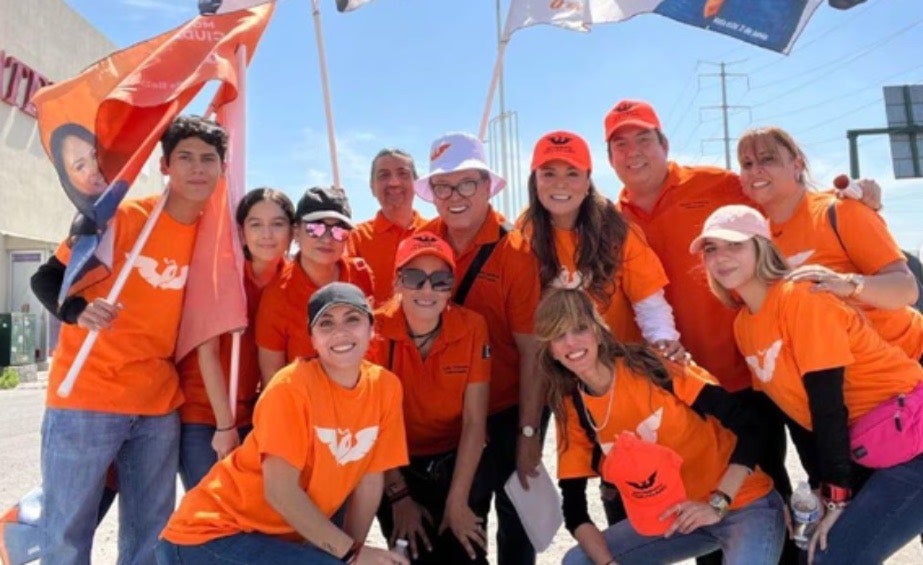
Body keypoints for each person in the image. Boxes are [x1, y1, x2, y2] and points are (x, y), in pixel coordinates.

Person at [604, 99, 879, 564]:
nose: (633, 151)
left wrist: (853, 199)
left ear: (664, 144)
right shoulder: (609, 219)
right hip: (683, 396)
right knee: (704, 513)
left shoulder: (717, 184)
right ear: (609, 157)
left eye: (643, 138)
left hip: (755, 373)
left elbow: (782, 195)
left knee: (775, 501)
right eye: (619, 143)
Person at [30, 115, 227, 564]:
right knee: (66, 534)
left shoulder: (214, 239)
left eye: (209, 159)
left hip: (158, 407)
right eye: (186, 157)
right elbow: (46, 278)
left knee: (150, 537)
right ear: (164, 166)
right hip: (87, 400)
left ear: (221, 169)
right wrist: (78, 311)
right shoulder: (119, 218)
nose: (198, 168)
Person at [694, 204, 923, 563]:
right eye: (711, 248)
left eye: (734, 245)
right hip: (874, 442)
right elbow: (796, 414)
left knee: (834, 558)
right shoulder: (744, 325)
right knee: (811, 552)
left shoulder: (800, 298)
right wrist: (820, 489)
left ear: (762, 247)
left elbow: (827, 405)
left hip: (913, 435)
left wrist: (836, 496)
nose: (720, 257)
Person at [157, 283, 410, 564]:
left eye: (352, 319)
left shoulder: (385, 387)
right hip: (208, 536)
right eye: (326, 324)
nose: (340, 332)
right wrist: (352, 555)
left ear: (371, 329)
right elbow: (280, 491)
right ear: (312, 338)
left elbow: (370, 481)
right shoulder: (290, 387)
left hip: (271, 541)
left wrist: (354, 553)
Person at [535, 288, 783, 565]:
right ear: (550, 349)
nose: (571, 342)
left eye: (580, 329)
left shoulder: (653, 367)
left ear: (597, 330)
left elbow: (752, 428)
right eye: (558, 335)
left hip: (743, 504)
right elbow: (575, 510)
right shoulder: (573, 408)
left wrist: (717, 503)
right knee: (579, 561)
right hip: (678, 521)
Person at [414, 132, 542, 565]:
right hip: (453, 413)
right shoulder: (422, 243)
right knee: (463, 526)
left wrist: (528, 436)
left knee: (516, 525)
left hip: (507, 408)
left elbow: (532, 353)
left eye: (467, 183)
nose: (455, 195)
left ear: (489, 186)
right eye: (443, 185)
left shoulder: (516, 252)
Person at [735, 126, 923, 363]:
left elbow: (907, 289)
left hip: (909, 362)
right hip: (845, 381)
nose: (755, 171)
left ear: (797, 164)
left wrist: (848, 284)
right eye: (747, 164)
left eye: (767, 159)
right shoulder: (756, 239)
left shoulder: (841, 211)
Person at [369, 232, 491, 564]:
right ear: (397, 282)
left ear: (450, 286)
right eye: (414, 278)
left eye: (439, 280)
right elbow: (370, 425)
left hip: (457, 463)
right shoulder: (372, 331)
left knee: (467, 553)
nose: (426, 290)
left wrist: (457, 501)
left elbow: (474, 422)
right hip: (397, 467)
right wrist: (399, 497)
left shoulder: (472, 327)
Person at [521, 130, 685, 358]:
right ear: (534, 181)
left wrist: (663, 343)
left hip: (618, 365)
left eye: (572, 174)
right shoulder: (521, 234)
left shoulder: (616, 230)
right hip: (555, 371)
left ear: (588, 182)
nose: (561, 184)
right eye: (548, 174)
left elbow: (649, 303)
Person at [176, 187, 295, 490]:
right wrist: (224, 424)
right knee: (209, 511)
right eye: (255, 224)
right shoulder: (223, 276)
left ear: (293, 231)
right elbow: (208, 352)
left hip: (253, 415)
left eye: (277, 224)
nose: (267, 234)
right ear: (241, 232)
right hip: (206, 414)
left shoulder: (293, 280)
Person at [255, 185, 374, 382]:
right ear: (296, 232)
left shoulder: (360, 274)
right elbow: (273, 378)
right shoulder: (277, 294)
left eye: (338, 230)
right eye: (315, 228)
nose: (327, 238)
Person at [347, 148, 427, 304]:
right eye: (384, 175)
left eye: (403, 174)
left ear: (416, 183)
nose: (394, 182)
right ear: (372, 187)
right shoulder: (354, 238)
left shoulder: (436, 231)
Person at [49, 122, 108, 213]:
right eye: (80, 166)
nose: (95, 167)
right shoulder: (90, 223)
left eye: (94, 154)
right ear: (67, 180)